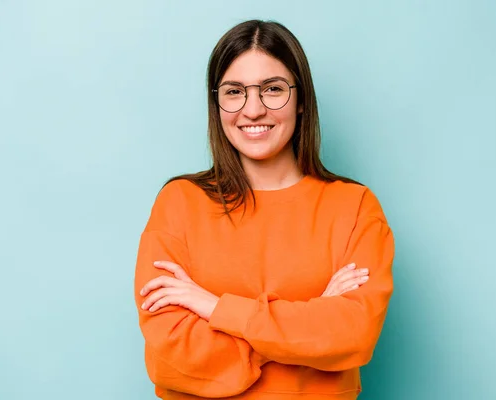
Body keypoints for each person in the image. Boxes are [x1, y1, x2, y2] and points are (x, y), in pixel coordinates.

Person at [134, 19, 394, 400]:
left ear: (302, 99)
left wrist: (214, 307)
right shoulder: (179, 202)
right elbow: (170, 356)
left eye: (272, 89)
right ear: (216, 103)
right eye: (234, 91)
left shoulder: (354, 207)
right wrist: (308, 328)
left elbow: (353, 335)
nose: (252, 110)